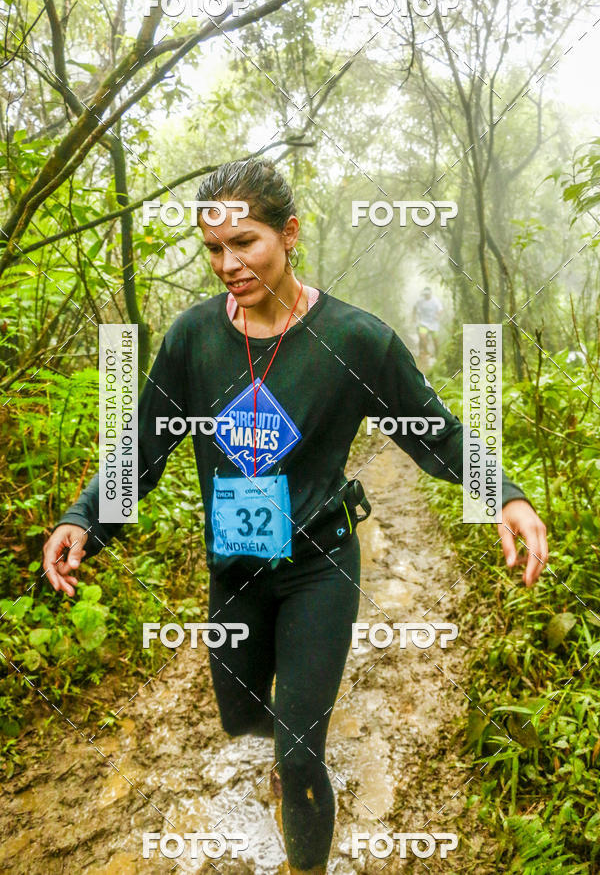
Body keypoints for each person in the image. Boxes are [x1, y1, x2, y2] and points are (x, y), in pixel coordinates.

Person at [42, 159, 548, 874]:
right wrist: (83, 519)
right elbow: (145, 447)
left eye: (245, 242)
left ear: (290, 233)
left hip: (319, 565)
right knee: (243, 721)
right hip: (235, 572)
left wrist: (505, 494)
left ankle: (305, 844)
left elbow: (435, 430)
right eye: (214, 249)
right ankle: (277, 750)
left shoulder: (355, 340)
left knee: (299, 752)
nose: (228, 263)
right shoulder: (192, 338)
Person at [413, 285, 443, 357]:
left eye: (427, 294)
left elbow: (440, 309)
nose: (426, 295)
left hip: (433, 323)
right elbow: (415, 307)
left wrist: (438, 315)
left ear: (430, 294)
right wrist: (413, 317)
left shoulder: (435, 301)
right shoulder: (420, 301)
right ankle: (426, 352)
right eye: (425, 294)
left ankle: (437, 354)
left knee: (435, 341)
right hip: (423, 322)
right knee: (422, 337)